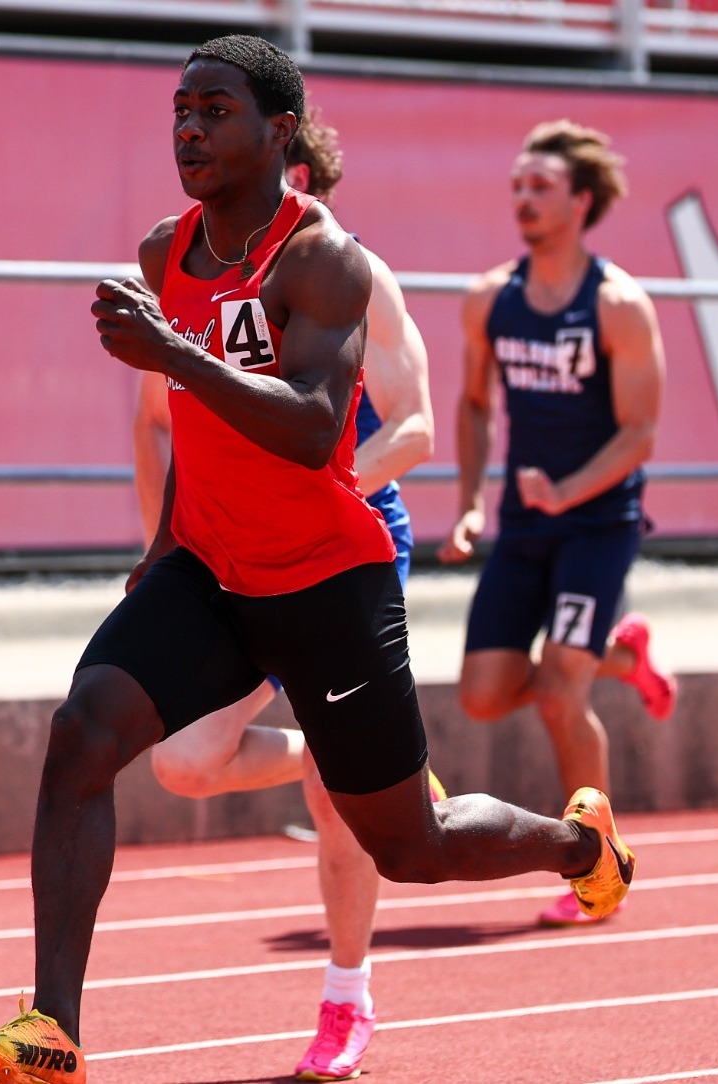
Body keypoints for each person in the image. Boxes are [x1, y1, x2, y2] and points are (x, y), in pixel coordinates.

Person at [0, 37, 634, 1084]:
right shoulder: (165, 251)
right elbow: (188, 422)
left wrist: (175, 350)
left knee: (415, 846)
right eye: (179, 109)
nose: (189, 128)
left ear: (280, 132)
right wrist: (164, 547)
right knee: (84, 733)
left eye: (215, 109)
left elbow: (317, 429)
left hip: (324, 582)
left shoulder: (324, 260)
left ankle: (582, 847)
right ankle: (52, 1031)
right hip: (212, 569)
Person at [133, 105, 436, 1082]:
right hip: (231, 558)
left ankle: (346, 999)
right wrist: (167, 544)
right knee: (183, 762)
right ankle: (345, 756)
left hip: (342, 553)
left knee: (343, 811)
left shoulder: (354, 272)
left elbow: (419, 426)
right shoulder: (193, 271)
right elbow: (160, 421)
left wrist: (330, 482)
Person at [438, 119, 677, 929]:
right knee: (482, 694)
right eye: (516, 187)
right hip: (523, 524)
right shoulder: (491, 299)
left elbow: (641, 431)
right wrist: (472, 502)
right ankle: (622, 654)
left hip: (598, 524)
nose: (524, 200)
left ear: (580, 202)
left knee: (558, 695)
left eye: (540, 187)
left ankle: (596, 866)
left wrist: (567, 489)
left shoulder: (617, 305)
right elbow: (473, 405)